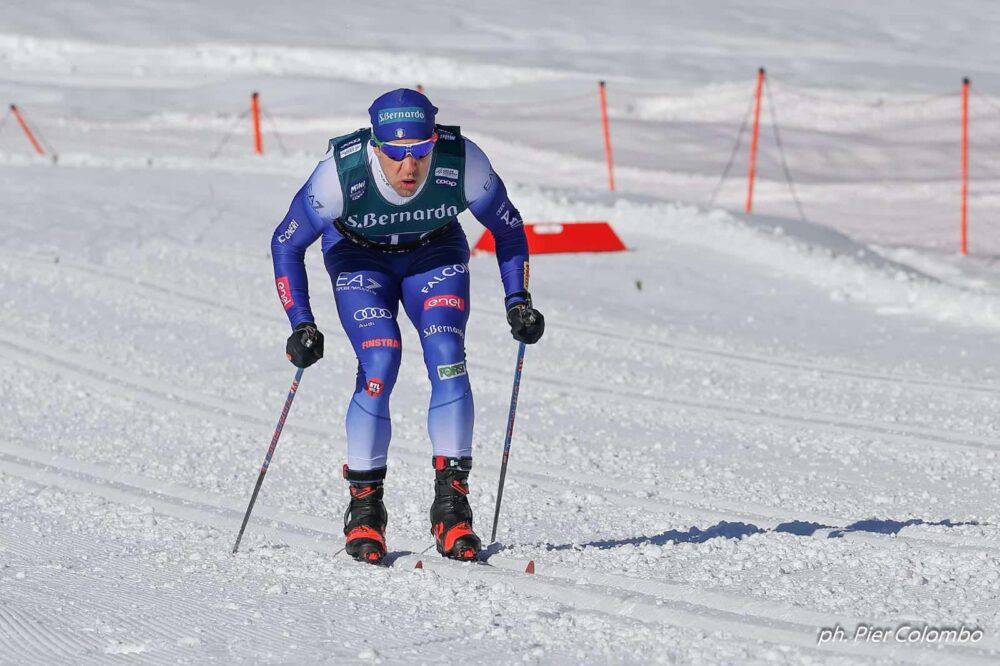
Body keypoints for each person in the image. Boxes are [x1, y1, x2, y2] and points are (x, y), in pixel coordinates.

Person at [270, 88, 545, 564]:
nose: (408, 167)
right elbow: (286, 243)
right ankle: (365, 511)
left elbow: (508, 229)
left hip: (433, 254)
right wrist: (301, 323)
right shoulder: (341, 172)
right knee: (380, 360)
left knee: (448, 357)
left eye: (420, 152)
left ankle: (452, 506)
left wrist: (517, 300)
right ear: (375, 145)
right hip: (358, 258)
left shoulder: (464, 162)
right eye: (395, 154)